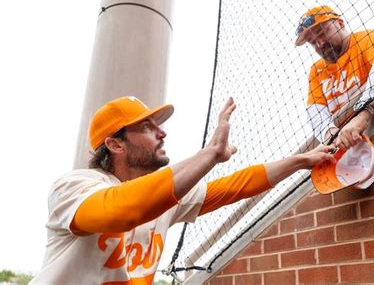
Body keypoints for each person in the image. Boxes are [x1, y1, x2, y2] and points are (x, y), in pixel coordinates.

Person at [31, 95, 335, 284]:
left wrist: (300, 161)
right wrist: (209, 154)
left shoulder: (165, 196)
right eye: (148, 127)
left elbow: (233, 187)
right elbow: (120, 211)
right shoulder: (74, 187)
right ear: (115, 144)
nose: (162, 133)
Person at [295, 5, 374, 150]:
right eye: (312, 41)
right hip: (354, 145)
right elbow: (314, 111)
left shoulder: (368, 38)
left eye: (322, 32)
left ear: (340, 24)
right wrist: (329, 133)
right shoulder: (317, 71)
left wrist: (364, 114)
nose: (320, 43)